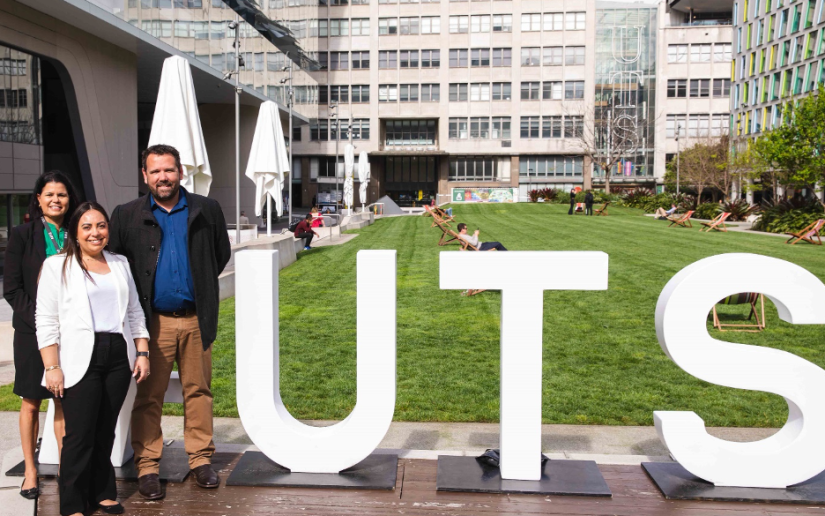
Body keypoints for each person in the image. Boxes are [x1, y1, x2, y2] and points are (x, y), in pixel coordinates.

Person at [108, 144, 231, 500]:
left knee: (199, 391)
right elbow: (117, 264)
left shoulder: (206, 209)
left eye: (169, 170)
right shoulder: (126, 214)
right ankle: (147, 466)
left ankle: (200, 459)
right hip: (152, 325)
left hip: (196, 319)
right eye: (156, 171)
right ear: (144, 176)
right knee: (149, 396)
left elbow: (219, 255)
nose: (163, 177)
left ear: (181, 172)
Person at [36, 201, 150, 516]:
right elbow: (45, 321)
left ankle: (102, 492)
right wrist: (52, 367)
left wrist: (142, 351)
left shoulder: (119, 263)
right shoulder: (56, 266)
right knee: (79, 434)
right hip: (77, 357)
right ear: (74, 231)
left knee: (106, 429)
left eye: (100, 225)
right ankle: (72, 503)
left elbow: (134, 311)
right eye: (86, 226)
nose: (95, 232)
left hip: (117, 354)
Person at [4, 171, 79, 500]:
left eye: (61, 194)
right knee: (32, 402)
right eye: (49, 194)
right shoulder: (23, 235)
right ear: (38, 199)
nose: (55, 200)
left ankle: (66, 472)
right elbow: (12, 288)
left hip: (71, 332)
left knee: (63, 403)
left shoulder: (78, 233)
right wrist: (39, 320)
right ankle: (31, 471)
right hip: (32, 332)